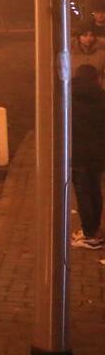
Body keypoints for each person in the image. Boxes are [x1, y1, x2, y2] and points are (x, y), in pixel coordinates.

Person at [70, 64, 105, 249]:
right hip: (98, 153)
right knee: (95, 190)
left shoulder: (70, 97)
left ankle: (90, 234)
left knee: (83, 193)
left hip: (78, 153)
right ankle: (94, 229)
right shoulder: (102, 96)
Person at [70, 21, 105, 85]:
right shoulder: (71, 54)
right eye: (85, 35)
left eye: (91, 35)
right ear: (79, 37)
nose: (88, 38)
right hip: (75, 90)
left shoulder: (102, 54)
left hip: (96, 90)